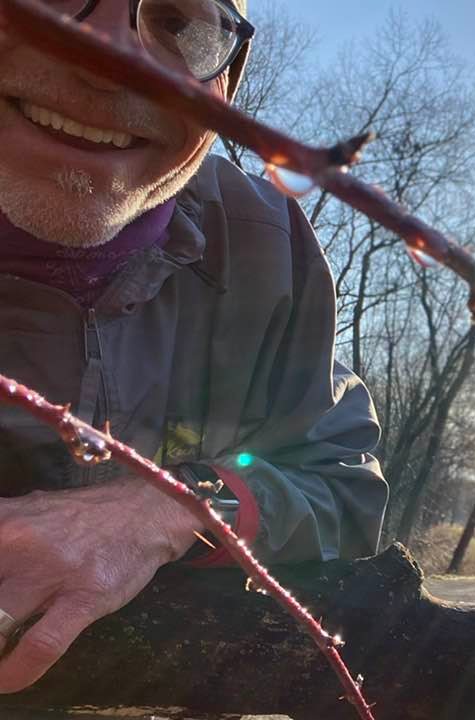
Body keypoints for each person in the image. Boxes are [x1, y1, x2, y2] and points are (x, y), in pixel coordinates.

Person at [0, 0, 388, 694]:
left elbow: (340, 482)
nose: (109, 60)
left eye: (181, 23)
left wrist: (172, 506)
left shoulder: (269, 247)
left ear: (227, 86)